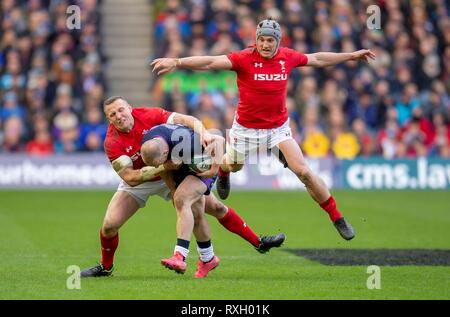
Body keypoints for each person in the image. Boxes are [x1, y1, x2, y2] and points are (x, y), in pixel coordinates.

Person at [151, 18, 376, 240]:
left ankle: (337, 218)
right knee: (233, 165)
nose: (266, 45)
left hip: (278, 129)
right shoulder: (244, 58)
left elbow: (316, 58)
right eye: (262, 40)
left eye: (270, 40)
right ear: (256, 40)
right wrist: (178, 62)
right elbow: (210, 62)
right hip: (245, 130)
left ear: (278, 42)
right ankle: (224, 171)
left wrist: (351, 56)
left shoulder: (287, 57)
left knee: (304, 171)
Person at [80, 96, 285, 277]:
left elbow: (187, 120)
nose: (118, 115)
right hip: (143, 179)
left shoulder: (150, 116)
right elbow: (130, 178)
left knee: (213, 208)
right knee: (109, 226)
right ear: (108, 119)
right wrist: (162, 167)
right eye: (112, 114)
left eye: (120, 110)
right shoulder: (112, 142)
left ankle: (257, 243)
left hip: (173, 172)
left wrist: (203, 133)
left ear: (130, 108)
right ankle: (106, 268)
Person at [140, 123, 224, 277]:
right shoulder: (148, 144)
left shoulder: (187, 141)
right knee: (195, 212)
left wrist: (214, 169)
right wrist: (172, 189)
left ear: (166, 151)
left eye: (161, 161)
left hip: (203, 167)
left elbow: (218, 140)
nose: (160, 165)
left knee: (182, 199)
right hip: (182, 168)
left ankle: (179, 256)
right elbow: (164, 171)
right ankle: (208, 258)